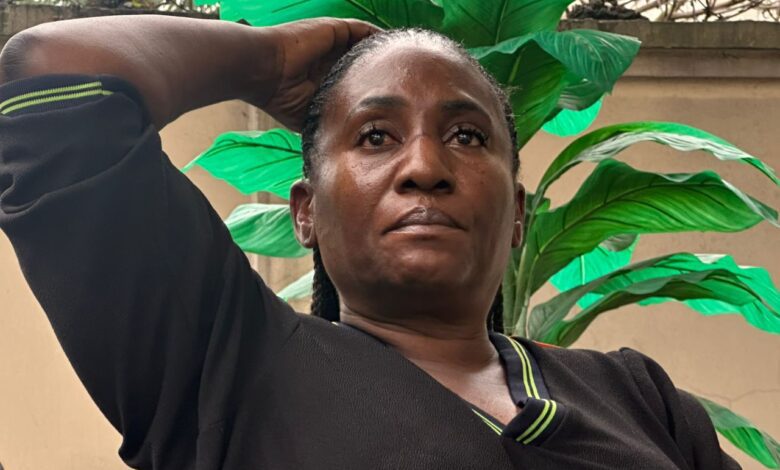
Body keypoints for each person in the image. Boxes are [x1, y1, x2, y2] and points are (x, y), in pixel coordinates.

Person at [0, 15, 739, 470]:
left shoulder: (638, 397)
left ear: (517, 215)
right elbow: (49, 75)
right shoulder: (221, 367)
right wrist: (269, 63)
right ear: (306, 212)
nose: (424, 167)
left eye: (466, 136)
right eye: (376, 136)